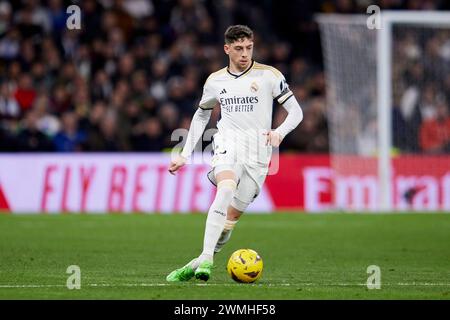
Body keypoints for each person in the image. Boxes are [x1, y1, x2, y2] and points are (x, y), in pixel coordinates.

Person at [166, 25, 303, 282]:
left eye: (249, 48)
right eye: (238, 49)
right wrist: (184, 153)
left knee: (231, 218)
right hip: (227, 143)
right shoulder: (215, 81)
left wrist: (279, 133)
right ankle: (207, 259)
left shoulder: (270, 76)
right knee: (226, 187)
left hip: (258, 153)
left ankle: (196, 262)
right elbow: (202, 113)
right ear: (227, 49)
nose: (244, 54)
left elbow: (296, 112)